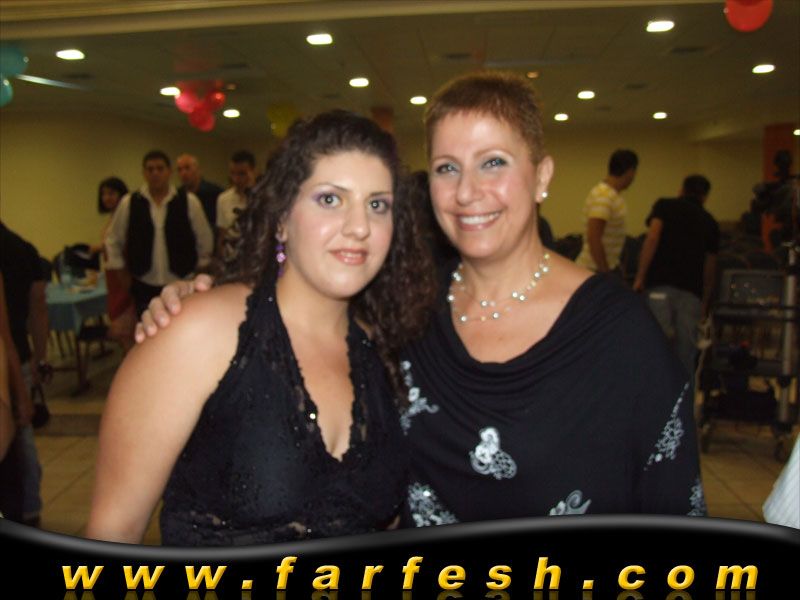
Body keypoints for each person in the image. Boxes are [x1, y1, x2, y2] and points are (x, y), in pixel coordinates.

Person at [139, 71, 706, 524]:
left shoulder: (618, 333)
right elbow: (299, 301)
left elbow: (674, 502)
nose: (467, 192)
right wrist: (192, 302)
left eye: (493, 163)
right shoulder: (405, 310)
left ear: (542, 176)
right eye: (446, 168)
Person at [86, 110, 437, 546]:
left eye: (377, 205)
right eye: (330, 199)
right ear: (282, 218)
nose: (360, 226)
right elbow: (113, 531)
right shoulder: (202, 332)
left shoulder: (380, 348)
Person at [105, 150, 214, 317]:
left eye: (160, 168)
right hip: (143, 284)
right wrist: (121, 273)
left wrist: (200, 269)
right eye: (150, 169)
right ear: (144, 173)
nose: (155, 173)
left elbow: (205, 239)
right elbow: (112, 240)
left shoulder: (189, 201)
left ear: (169, 172)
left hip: (182, 282)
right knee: (148, 329)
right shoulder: (129, 203)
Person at [632, 175, 720, 378]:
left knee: (657, 345)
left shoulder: (664, 206)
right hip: (691, 291)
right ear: (705, 196)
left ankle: (653, 391)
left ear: (681, 190)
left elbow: (652, 238)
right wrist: (705, 299)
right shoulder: (710, 222)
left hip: (659, 285)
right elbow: (710, 266)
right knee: (685, 352)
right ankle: (683, 394)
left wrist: (640, 276)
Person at [0, 220, 50, 527]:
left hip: (10, 356)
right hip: (16, 353)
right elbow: (38, 307)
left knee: (19, 442)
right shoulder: (22, 247)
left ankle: (27, 512)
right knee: (22, 441)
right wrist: (40, 357)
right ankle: (30, 511)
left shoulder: (16, 248)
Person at [576, 148, 639, 275]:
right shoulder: (604, 196)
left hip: (602, 268)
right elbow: (594, 237)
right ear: (630, 171)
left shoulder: (612, 195)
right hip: (594, 270)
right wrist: (605, 273)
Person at [92, 177, 136, 351]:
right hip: (112, 279)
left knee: (126, 327)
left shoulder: (127, 217)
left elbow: (123, 247)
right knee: (121, 329)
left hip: (123, 274)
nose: (107, 198)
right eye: (104, 194)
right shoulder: (112, 218)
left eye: (111, 193)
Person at [215, 150, 258, 257]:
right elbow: (222, 235)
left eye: (242, 174)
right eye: (233, 173)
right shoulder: (223, 199)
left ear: (254, 172)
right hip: (233, 256)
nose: (236, 179)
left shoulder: (264, 197)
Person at [176, 153, 225, 229]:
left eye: (187, 168)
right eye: (180, 170)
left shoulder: (215, 193)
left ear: (198, 170)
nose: (183, 173)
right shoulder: (177, 196)